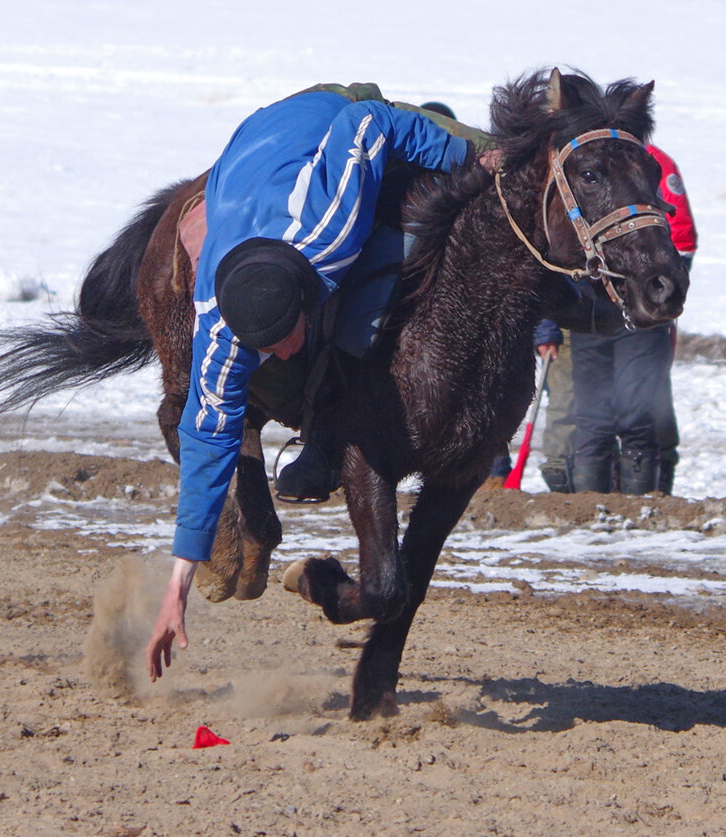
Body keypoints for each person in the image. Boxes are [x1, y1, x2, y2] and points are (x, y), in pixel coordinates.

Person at [144, 84, 493, 681]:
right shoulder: (219, 328)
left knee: (483, 167)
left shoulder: (329, 233)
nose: (276, 353)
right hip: (249, 161)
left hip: (337, 113)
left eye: (283, 337)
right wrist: (175, 587)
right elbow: (206, 443)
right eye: (266, 347)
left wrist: (473, 159)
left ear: (310, 292)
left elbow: (368, 122)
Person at [540, 142, 697, 495]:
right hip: (592, 310)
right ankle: (591, 509)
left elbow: (681, 233)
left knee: (636, 415)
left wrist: (663, 291)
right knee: (592, 417)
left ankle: (638, 505)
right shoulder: (580, 162)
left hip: (640, 309)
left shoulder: (655, 161)